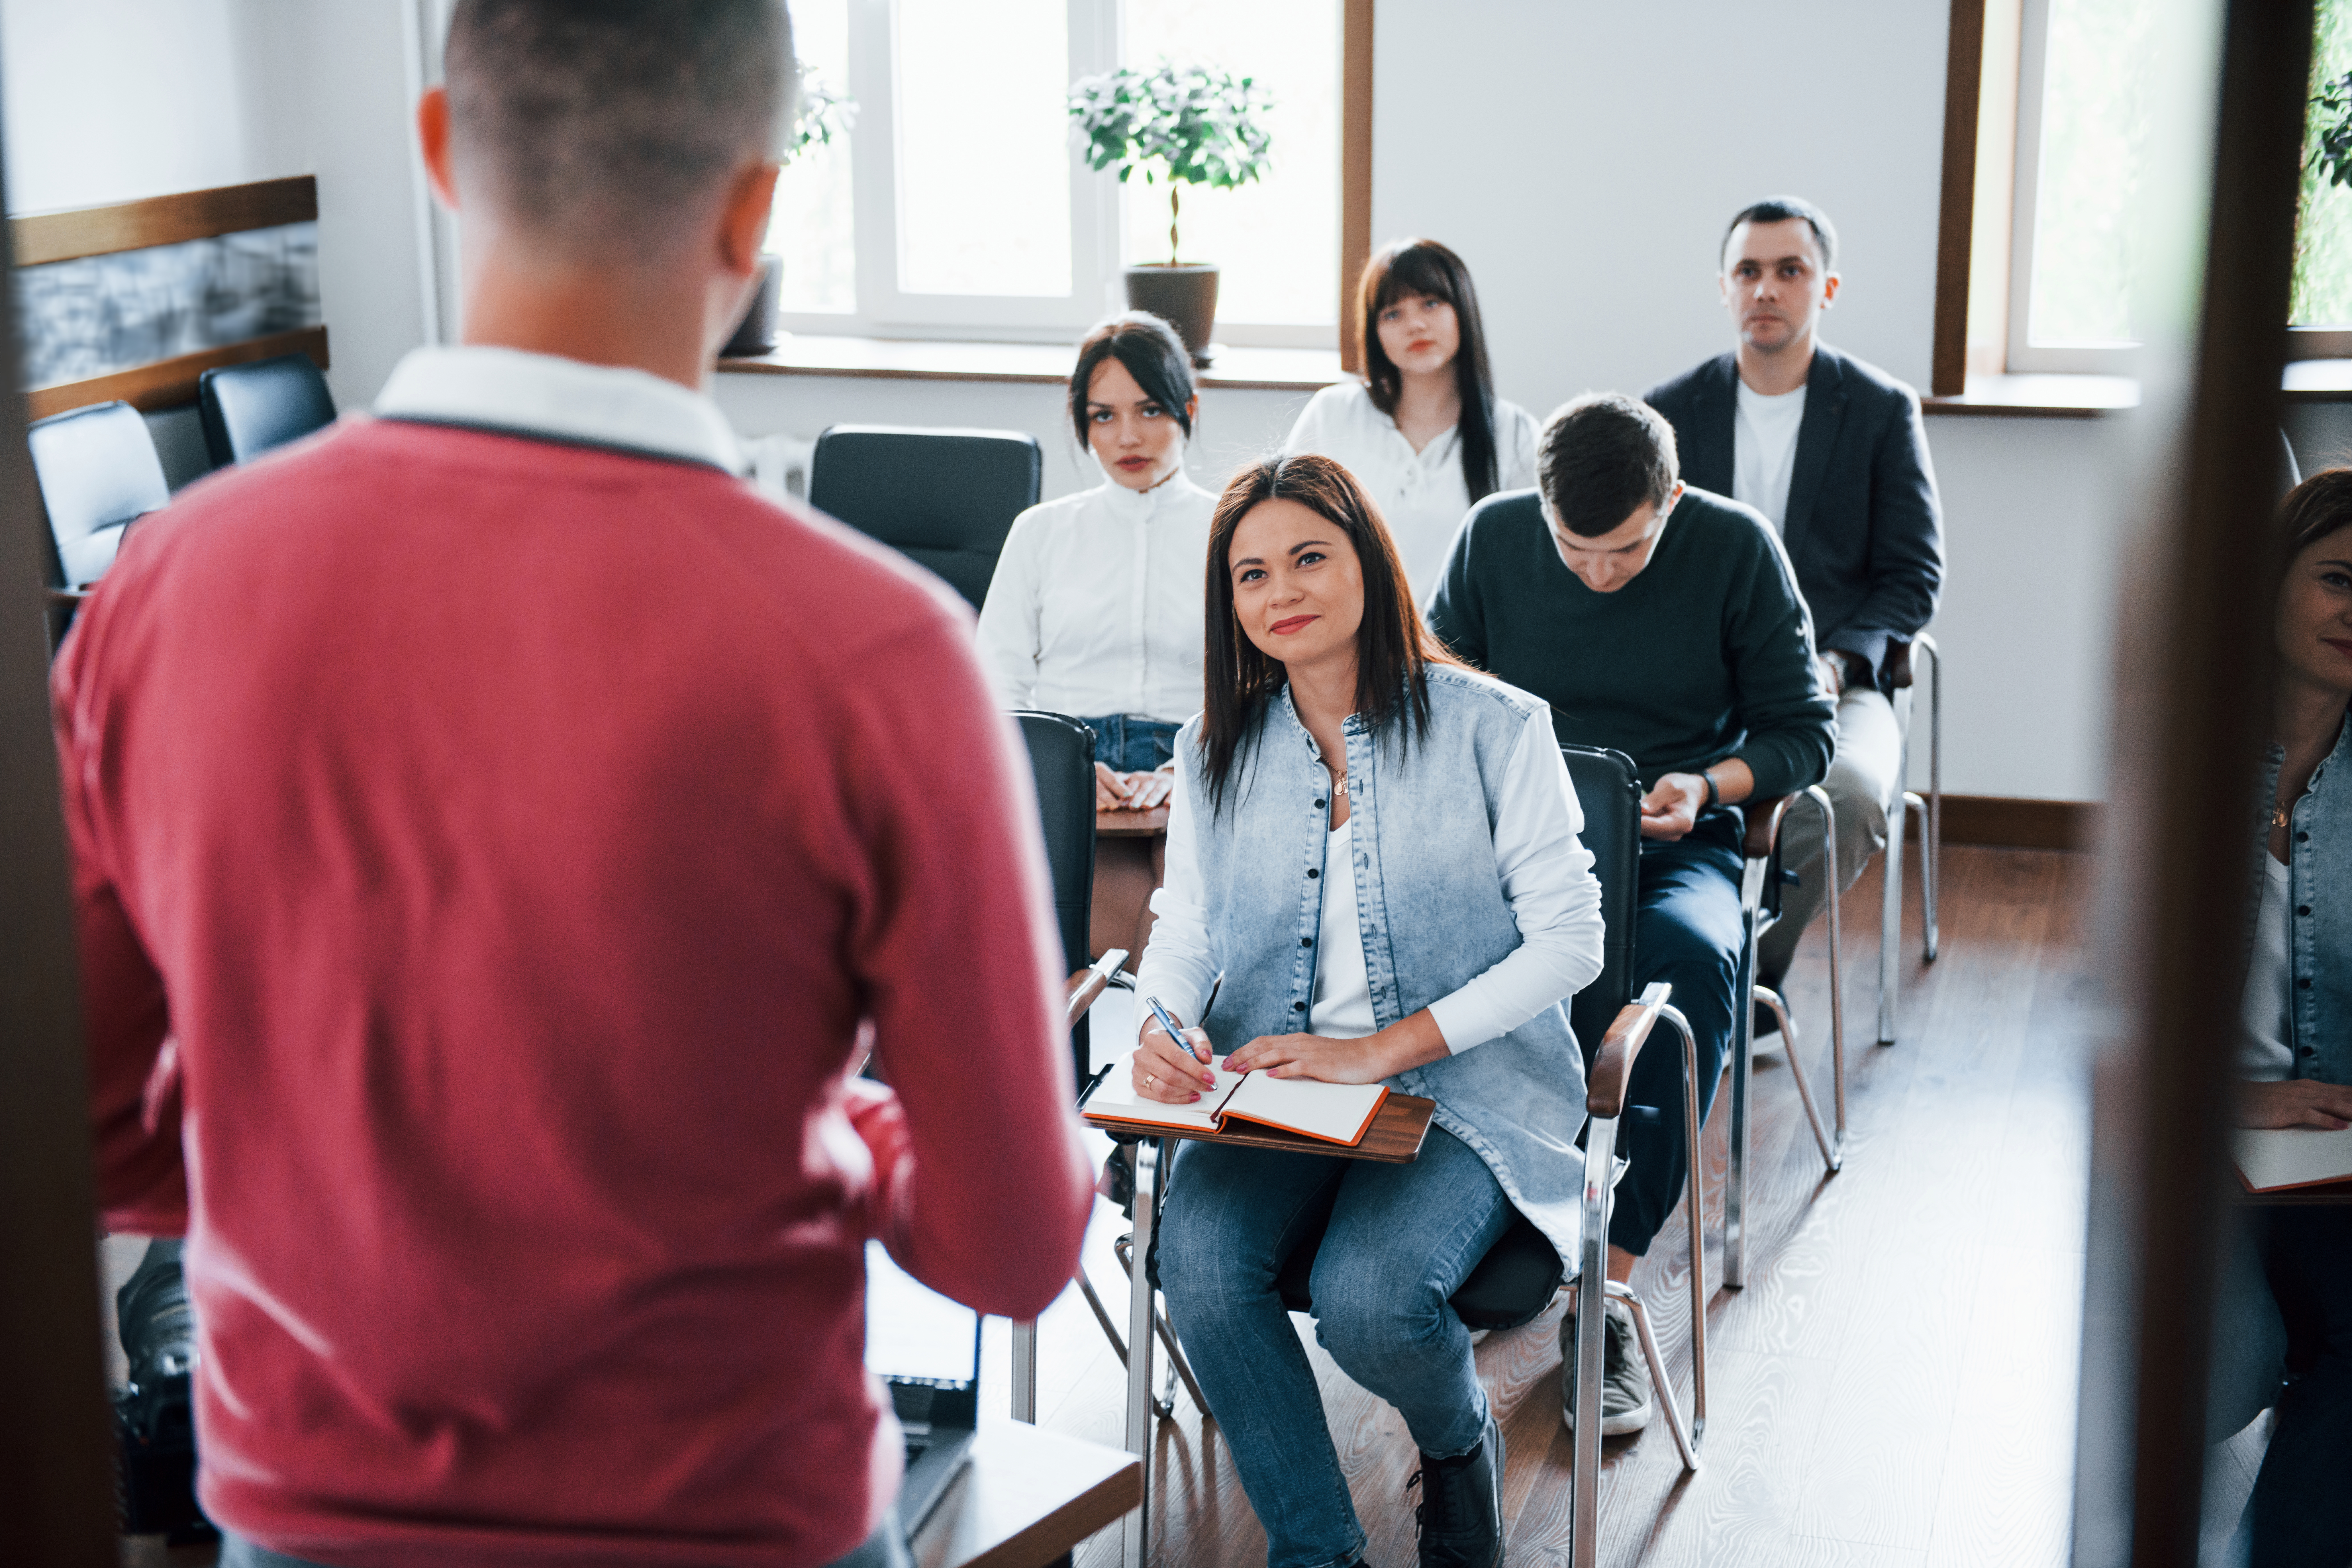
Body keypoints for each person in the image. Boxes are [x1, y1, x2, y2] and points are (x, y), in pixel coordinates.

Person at [54, 4, 1096, 1565]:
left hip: (309, 1523)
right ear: (757, 208)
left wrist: (336, 1133)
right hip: (734, 1520)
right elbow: (1013, 1242)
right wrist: (850, 1133)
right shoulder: (882, 651)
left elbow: (81, 1115)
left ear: (437, 154)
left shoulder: (171, 583)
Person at [1134, 453, 1603, 1568]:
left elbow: (1572, 939)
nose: (1279, 591)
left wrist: (1382, 1049)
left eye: (1308, 557)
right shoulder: (1212, 750)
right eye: (1251, 574)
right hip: (1279, 1077)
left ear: (1370, 564)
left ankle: (1455, 1448)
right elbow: (1186, 920)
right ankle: (1317, 1549)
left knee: (1372, 1297)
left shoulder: (1497, 726)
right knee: (1195, 1262)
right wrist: (1160, 1019)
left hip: (1461, 1090)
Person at [1426, 393, 1834, 1438]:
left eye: (1625, 549)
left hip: (1668, 843)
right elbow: (1431, 697)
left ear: (1673, 500)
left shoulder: (1735, 549)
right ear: (1543, 511)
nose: (1598, 571)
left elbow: (1801, 732)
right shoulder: (1492, 538)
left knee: (1689, 972)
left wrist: (1706, 783)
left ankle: (1598, 1298)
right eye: (1575, 549)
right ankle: (1468, 1232)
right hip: (1510, 847)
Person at [1643, 196, 1943, 1024]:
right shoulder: (1668, 409)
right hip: (1700, 681)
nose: (1766, 289)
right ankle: (1679, 960)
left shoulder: (1880, 410)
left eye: (1789, 270)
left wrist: (1839, 660)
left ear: (1827, 287)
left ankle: (1742, 974)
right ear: (1724, 287)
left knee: (1843, 795)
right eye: (1749, 271)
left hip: (1837, 680)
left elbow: (1913, 574)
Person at [2216, 469, 2352, 1567]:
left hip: (2331, 1146)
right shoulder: (2185, 759)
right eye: (2337, 580)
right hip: (2189, 1151)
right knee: (2222, 1364)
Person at [977, 311, 1216, 813]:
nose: (1127, 437)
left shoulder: (1233, 531)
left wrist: (1187, 768)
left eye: (1150, 410)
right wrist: (1061, 765)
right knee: (1106, 881)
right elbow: (996, 683)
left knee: (1172, 880)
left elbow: (1266, 684)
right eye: (1103, 416)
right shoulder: (1040, 531)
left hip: (1200, 758)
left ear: (1188, 408)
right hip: (1068, 757)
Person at [1283, 239, 1540, 604]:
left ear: (1462, 311)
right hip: (1350, 643)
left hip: (1465, 653)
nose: (1415, 325)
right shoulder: (1333, 413)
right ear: (1375, 332)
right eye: (1392, 314)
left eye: (1431, 304)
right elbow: (1287, 536)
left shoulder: (1515, 433)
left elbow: (1529, 567)